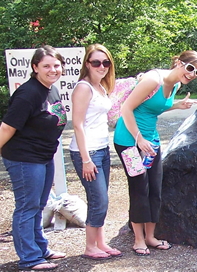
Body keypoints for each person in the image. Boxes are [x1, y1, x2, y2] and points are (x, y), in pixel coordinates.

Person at [113, 50, 197, 256]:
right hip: (129, 141)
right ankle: (138, 240)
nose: (191, 74)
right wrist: (138, 139)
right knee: (139, 188)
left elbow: (152, 108)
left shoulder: (176, 84)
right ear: (179, 63)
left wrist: (178, 105)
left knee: (155, 186)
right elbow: (126, 108)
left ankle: (150, 237)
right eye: (190, 68)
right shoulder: (153, 80)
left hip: (150, 142)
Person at [0, 46, 68, 271]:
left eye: (56, 65)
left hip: (44, 156)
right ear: (35, 67)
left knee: (38, 205)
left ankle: (40, 249)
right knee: (27, 207)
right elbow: (8, 126)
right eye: (46, 66)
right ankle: (30, 257)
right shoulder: (29, 93)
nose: (52, 70)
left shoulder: (50, 89)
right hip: (25, 158)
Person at [69, 44, 122, 260]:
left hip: (102, 148)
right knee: (98, 199)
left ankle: (101, 242)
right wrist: (86, 159)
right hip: (87, 151)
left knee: (102, 198)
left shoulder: (100, 87)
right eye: (96, 62)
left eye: (106, 62)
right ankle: (90, 246)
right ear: (87, 64)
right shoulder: (83, 88)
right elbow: (77, 125)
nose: (102, 66)